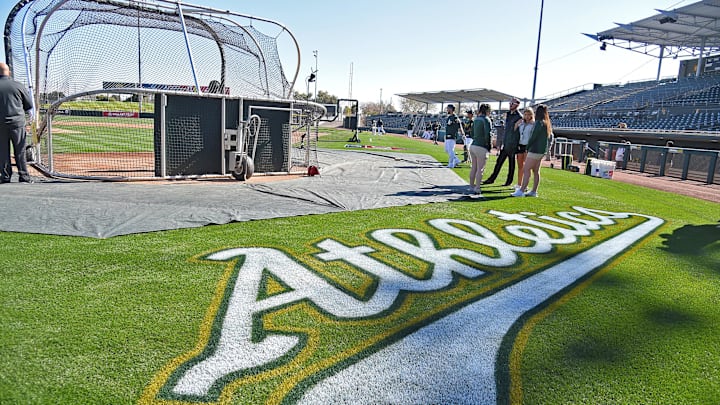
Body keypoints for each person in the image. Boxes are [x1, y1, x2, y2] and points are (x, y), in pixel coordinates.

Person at [0, 62, 34, 184]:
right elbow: (29, 105)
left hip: (1, 124)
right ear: (8, 72)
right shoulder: (18, 85)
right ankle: (24, 176)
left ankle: (5, 176)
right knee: (20, 151)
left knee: (3, 151)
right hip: (17, 123)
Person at [511, 104, 552, 197]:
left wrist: (527, 147)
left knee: (526, 169)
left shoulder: (538, 123)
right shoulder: (546, 123)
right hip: (541, 151)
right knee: (536, 171)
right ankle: (534, 191)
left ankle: (521, 190)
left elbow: (533, 136)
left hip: (534, 150)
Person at [483, 98, 522, 186]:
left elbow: (516, 132)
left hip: (512, 144)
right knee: (499, 162)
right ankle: (492, 179)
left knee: (511, 164)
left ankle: (509, 181)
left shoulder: (519, 117)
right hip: (506, 142)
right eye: (510, 103)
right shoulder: (508, 114)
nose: (510, 104)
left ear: (517, 105)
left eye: (513, 103)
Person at [469, 104, 492, 196]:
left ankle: (471, 185)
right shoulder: (486, 119)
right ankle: (477, 187)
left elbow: (472, 133)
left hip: (473, 145)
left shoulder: (476, 119)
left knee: (474, 167)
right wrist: (489, 145)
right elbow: (488, 134)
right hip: (481, 146)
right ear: (487, 111)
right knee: (480, 169)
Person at [514, 107, 535, 190]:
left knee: (527, 167)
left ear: (531, 115)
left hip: (528, 146)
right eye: (525, 114)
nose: (527, 116)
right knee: (520, 165)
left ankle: (525, 185)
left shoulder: (533, 124)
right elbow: (515, 129)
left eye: (529, 114)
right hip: (520, 145)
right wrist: (517, 124)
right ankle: (519, 184)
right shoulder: (521, 123)